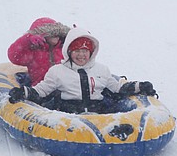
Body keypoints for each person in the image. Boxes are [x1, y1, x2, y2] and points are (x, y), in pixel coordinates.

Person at [8, 27, 156, 114]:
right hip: (68, 115)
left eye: (85, 51)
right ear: (69, 51)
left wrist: (139, 86)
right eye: (77, 51)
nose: (81, 55)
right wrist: (24, 92)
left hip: (97, 112)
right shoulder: (57, 71)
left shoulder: (101, 70)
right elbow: (42, 91)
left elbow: (116, 88)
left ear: (91, 52)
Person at [7, 17, 70, 86]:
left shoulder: (64, 48)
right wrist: (27, 40)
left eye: (58, 33)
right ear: (42, 35)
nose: (57, 36)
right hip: (40, 88)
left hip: (64, 87)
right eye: (52, 33)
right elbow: (14, 56)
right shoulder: (33, 51)